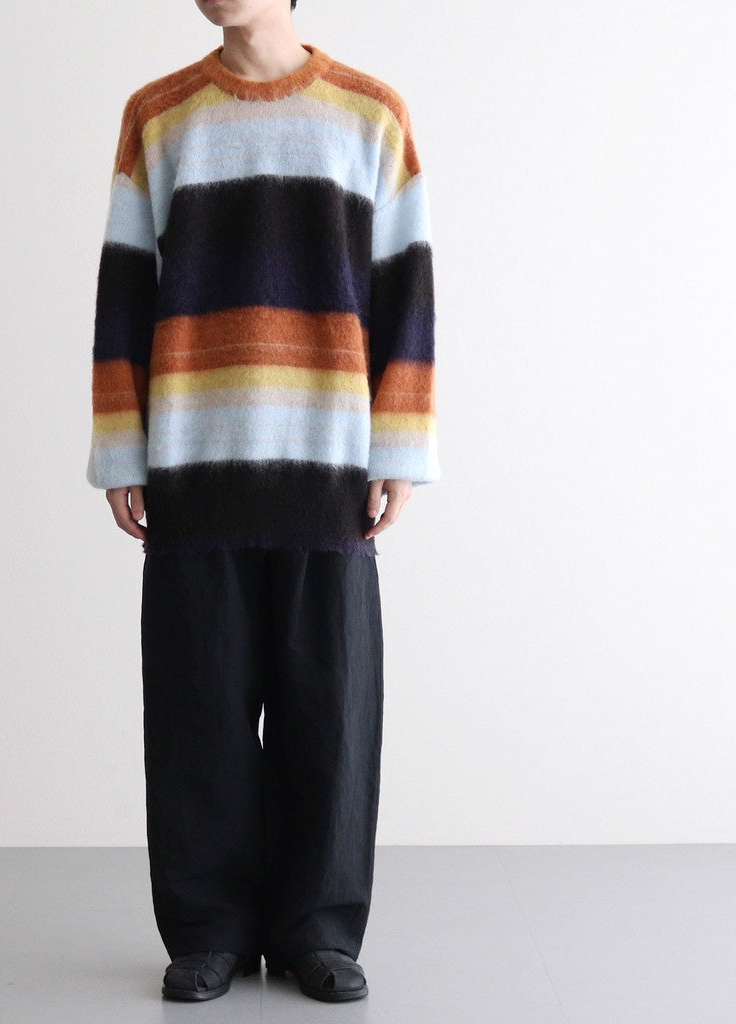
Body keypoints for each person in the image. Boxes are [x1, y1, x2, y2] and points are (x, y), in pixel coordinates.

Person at [86, 0, 439, 1004]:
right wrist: (123, 446)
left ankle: (318, 929)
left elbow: (406, 286)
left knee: (331, 706)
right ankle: (209, 929)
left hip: (327, 464)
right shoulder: (159, 115)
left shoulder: (370, 112)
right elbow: (124, 288)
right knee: (196, 705)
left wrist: (397, 445)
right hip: (194, 459)